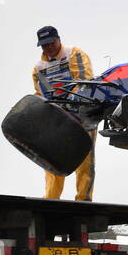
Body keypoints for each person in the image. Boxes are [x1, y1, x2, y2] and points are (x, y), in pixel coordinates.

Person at [30, 25, 96, 202]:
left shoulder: (74, 54)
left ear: (58, 39)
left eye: (51, 43)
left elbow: (84, 82)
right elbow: (39, 95)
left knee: (84, 160)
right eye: (44, 45)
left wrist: (71, 105)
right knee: (52, 160)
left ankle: (83, 199)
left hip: (82, 115)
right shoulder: (38, 68)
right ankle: (51, 199)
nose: (48, 48)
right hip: (57, 119)